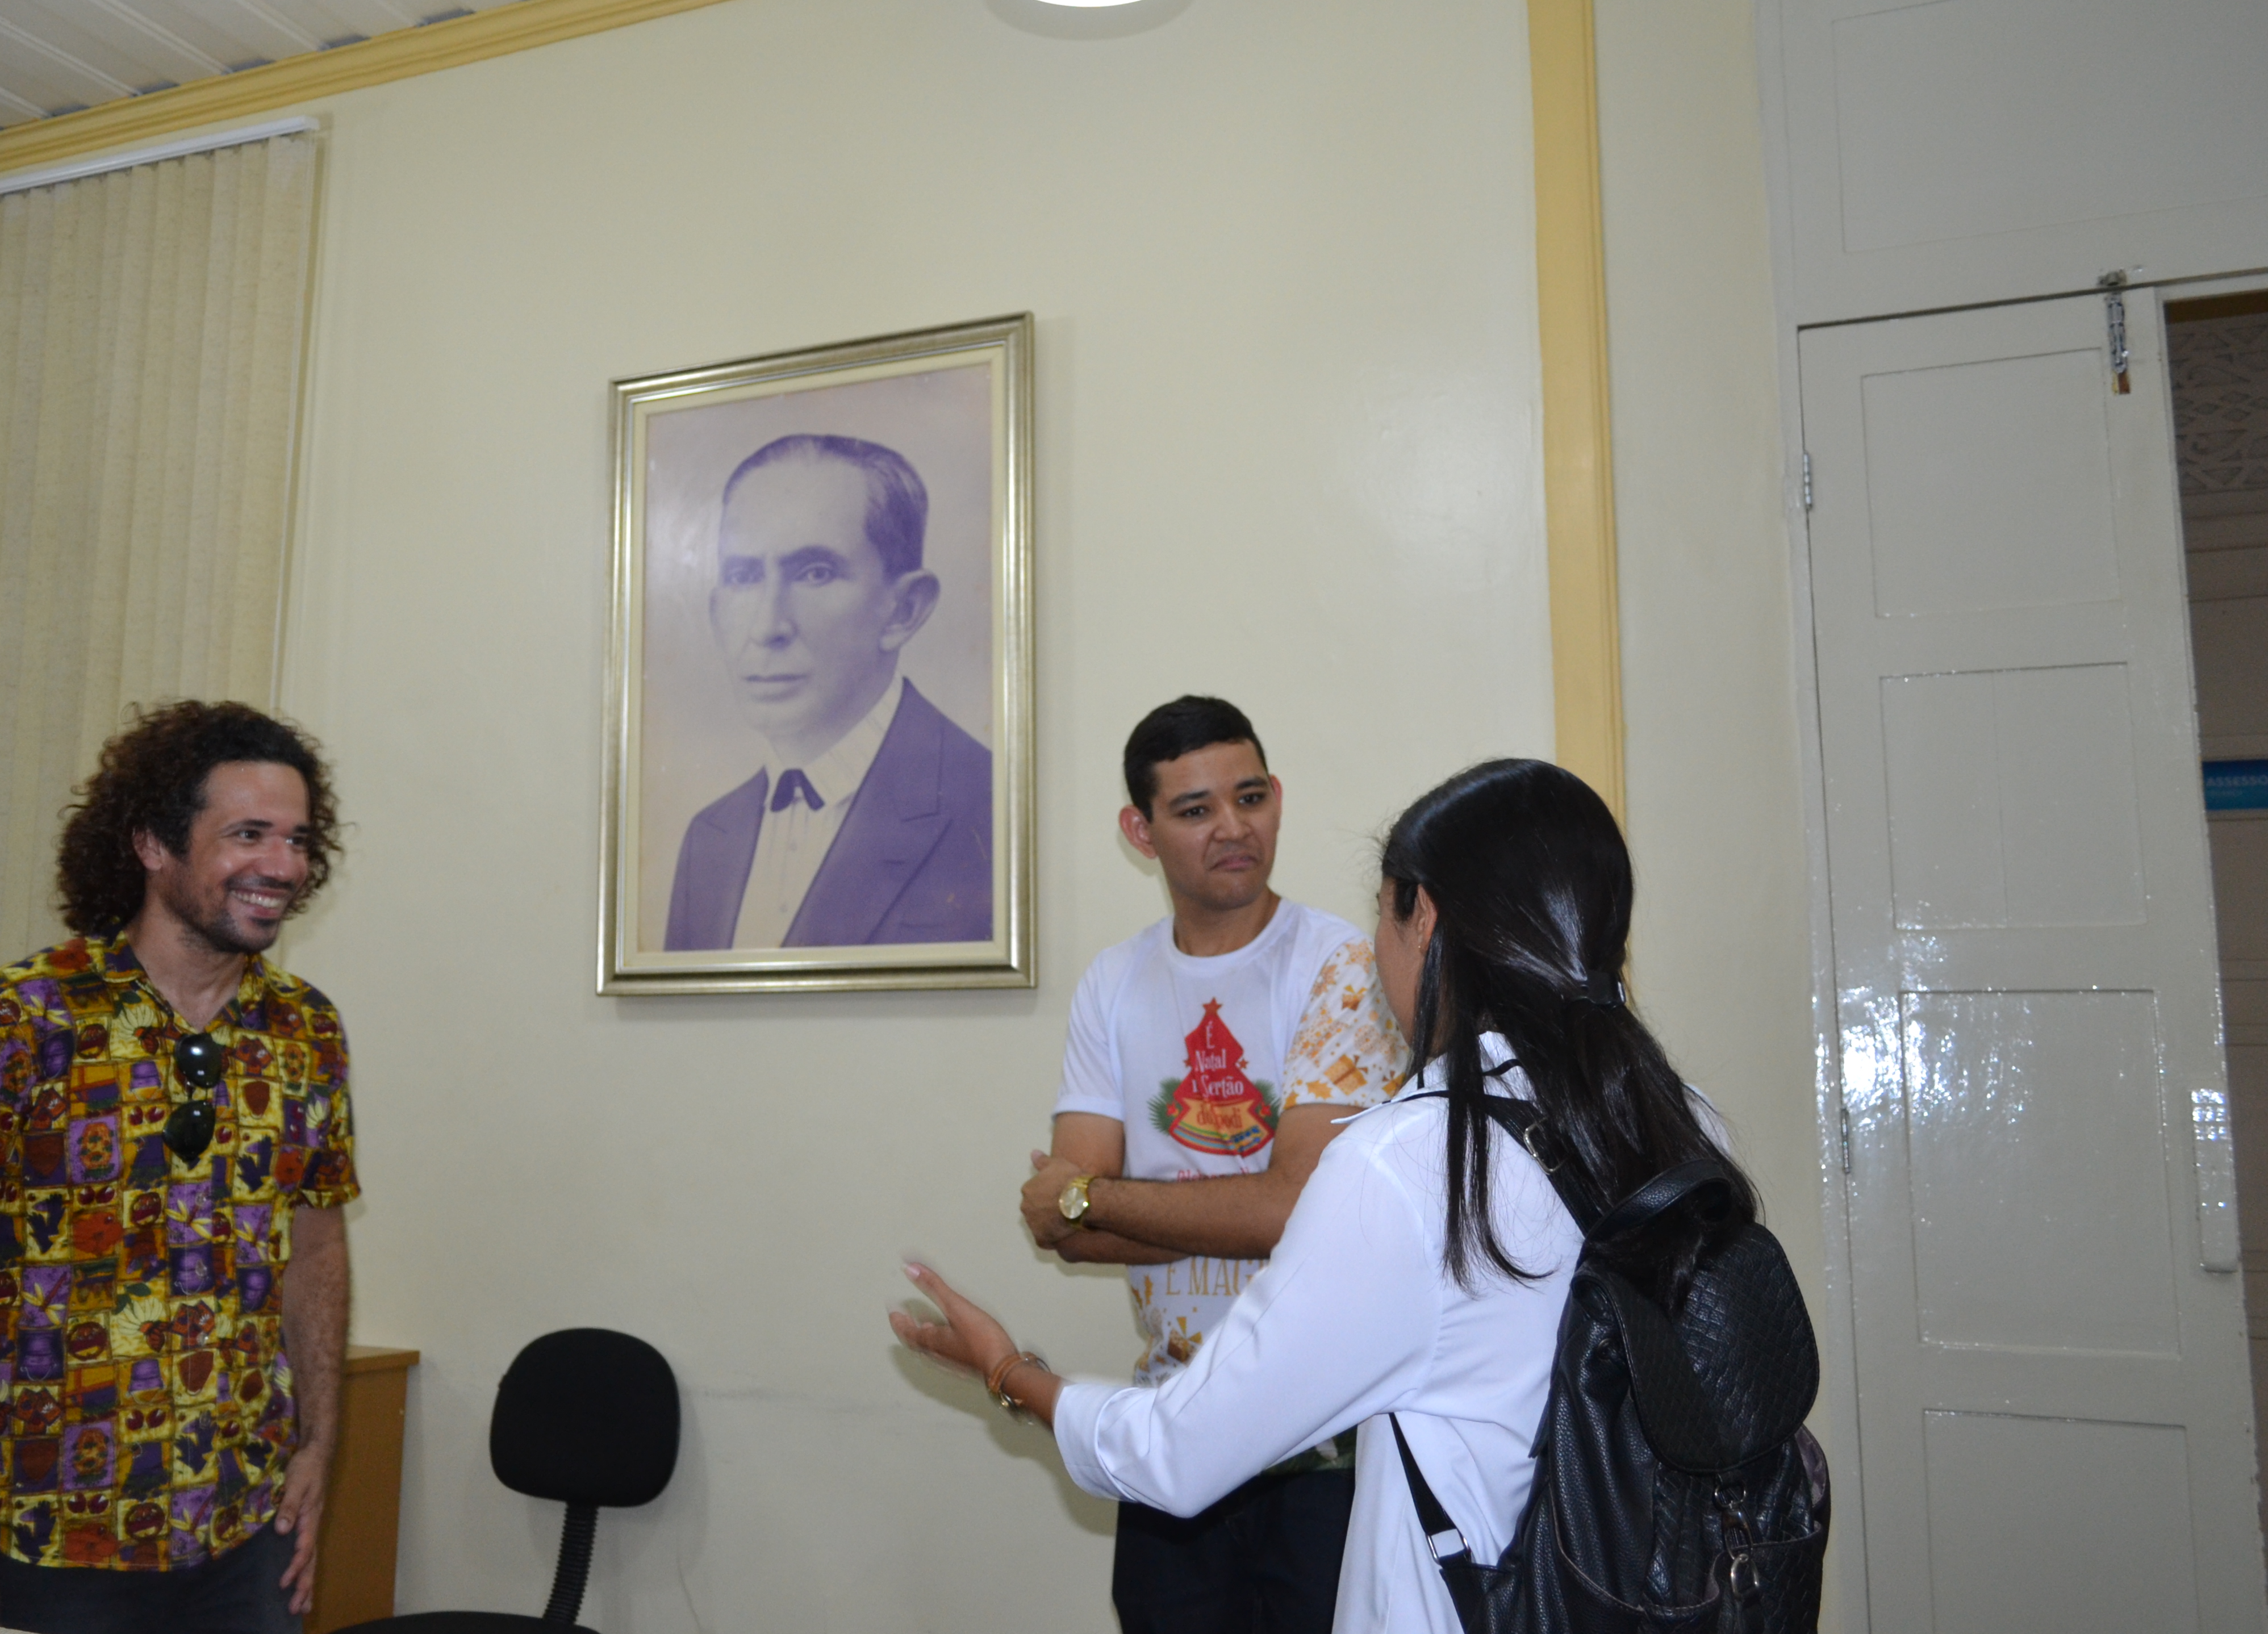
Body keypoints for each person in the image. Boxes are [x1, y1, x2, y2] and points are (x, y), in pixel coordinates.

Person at [892, 758, 1755, 1634]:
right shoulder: (1687, 1122)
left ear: (1427, 920)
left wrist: (1008, 1373)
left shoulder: (1410, 1163)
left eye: (1384, 910)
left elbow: (1177, 1454)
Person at [0, 701, 359, 1633]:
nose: (282, 866)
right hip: (43, 1542)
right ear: (153, 844)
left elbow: (315, 1247)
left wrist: (320, 1444)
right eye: (248, 834)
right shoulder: (15, 1020)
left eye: (298, 839)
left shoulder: (305, 1029)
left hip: (245, 1535)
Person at [1014, 695, 1406, 1634]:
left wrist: (1097, 1193)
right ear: (1138, 831)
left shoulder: (1340, 965)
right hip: (1169, 1420)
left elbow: (1293, 1211)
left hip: (1325, 1443)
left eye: (1251, 796)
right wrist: (1106, 1205)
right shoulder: (1114, 981)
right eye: (1194, 810)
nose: (1233, 827)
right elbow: (1060, 1229)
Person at [665, 432, 993, 950]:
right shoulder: (710, 838)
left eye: (815, 573)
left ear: (904, 610)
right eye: (744, 576)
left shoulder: (988, 806)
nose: (767, 626)